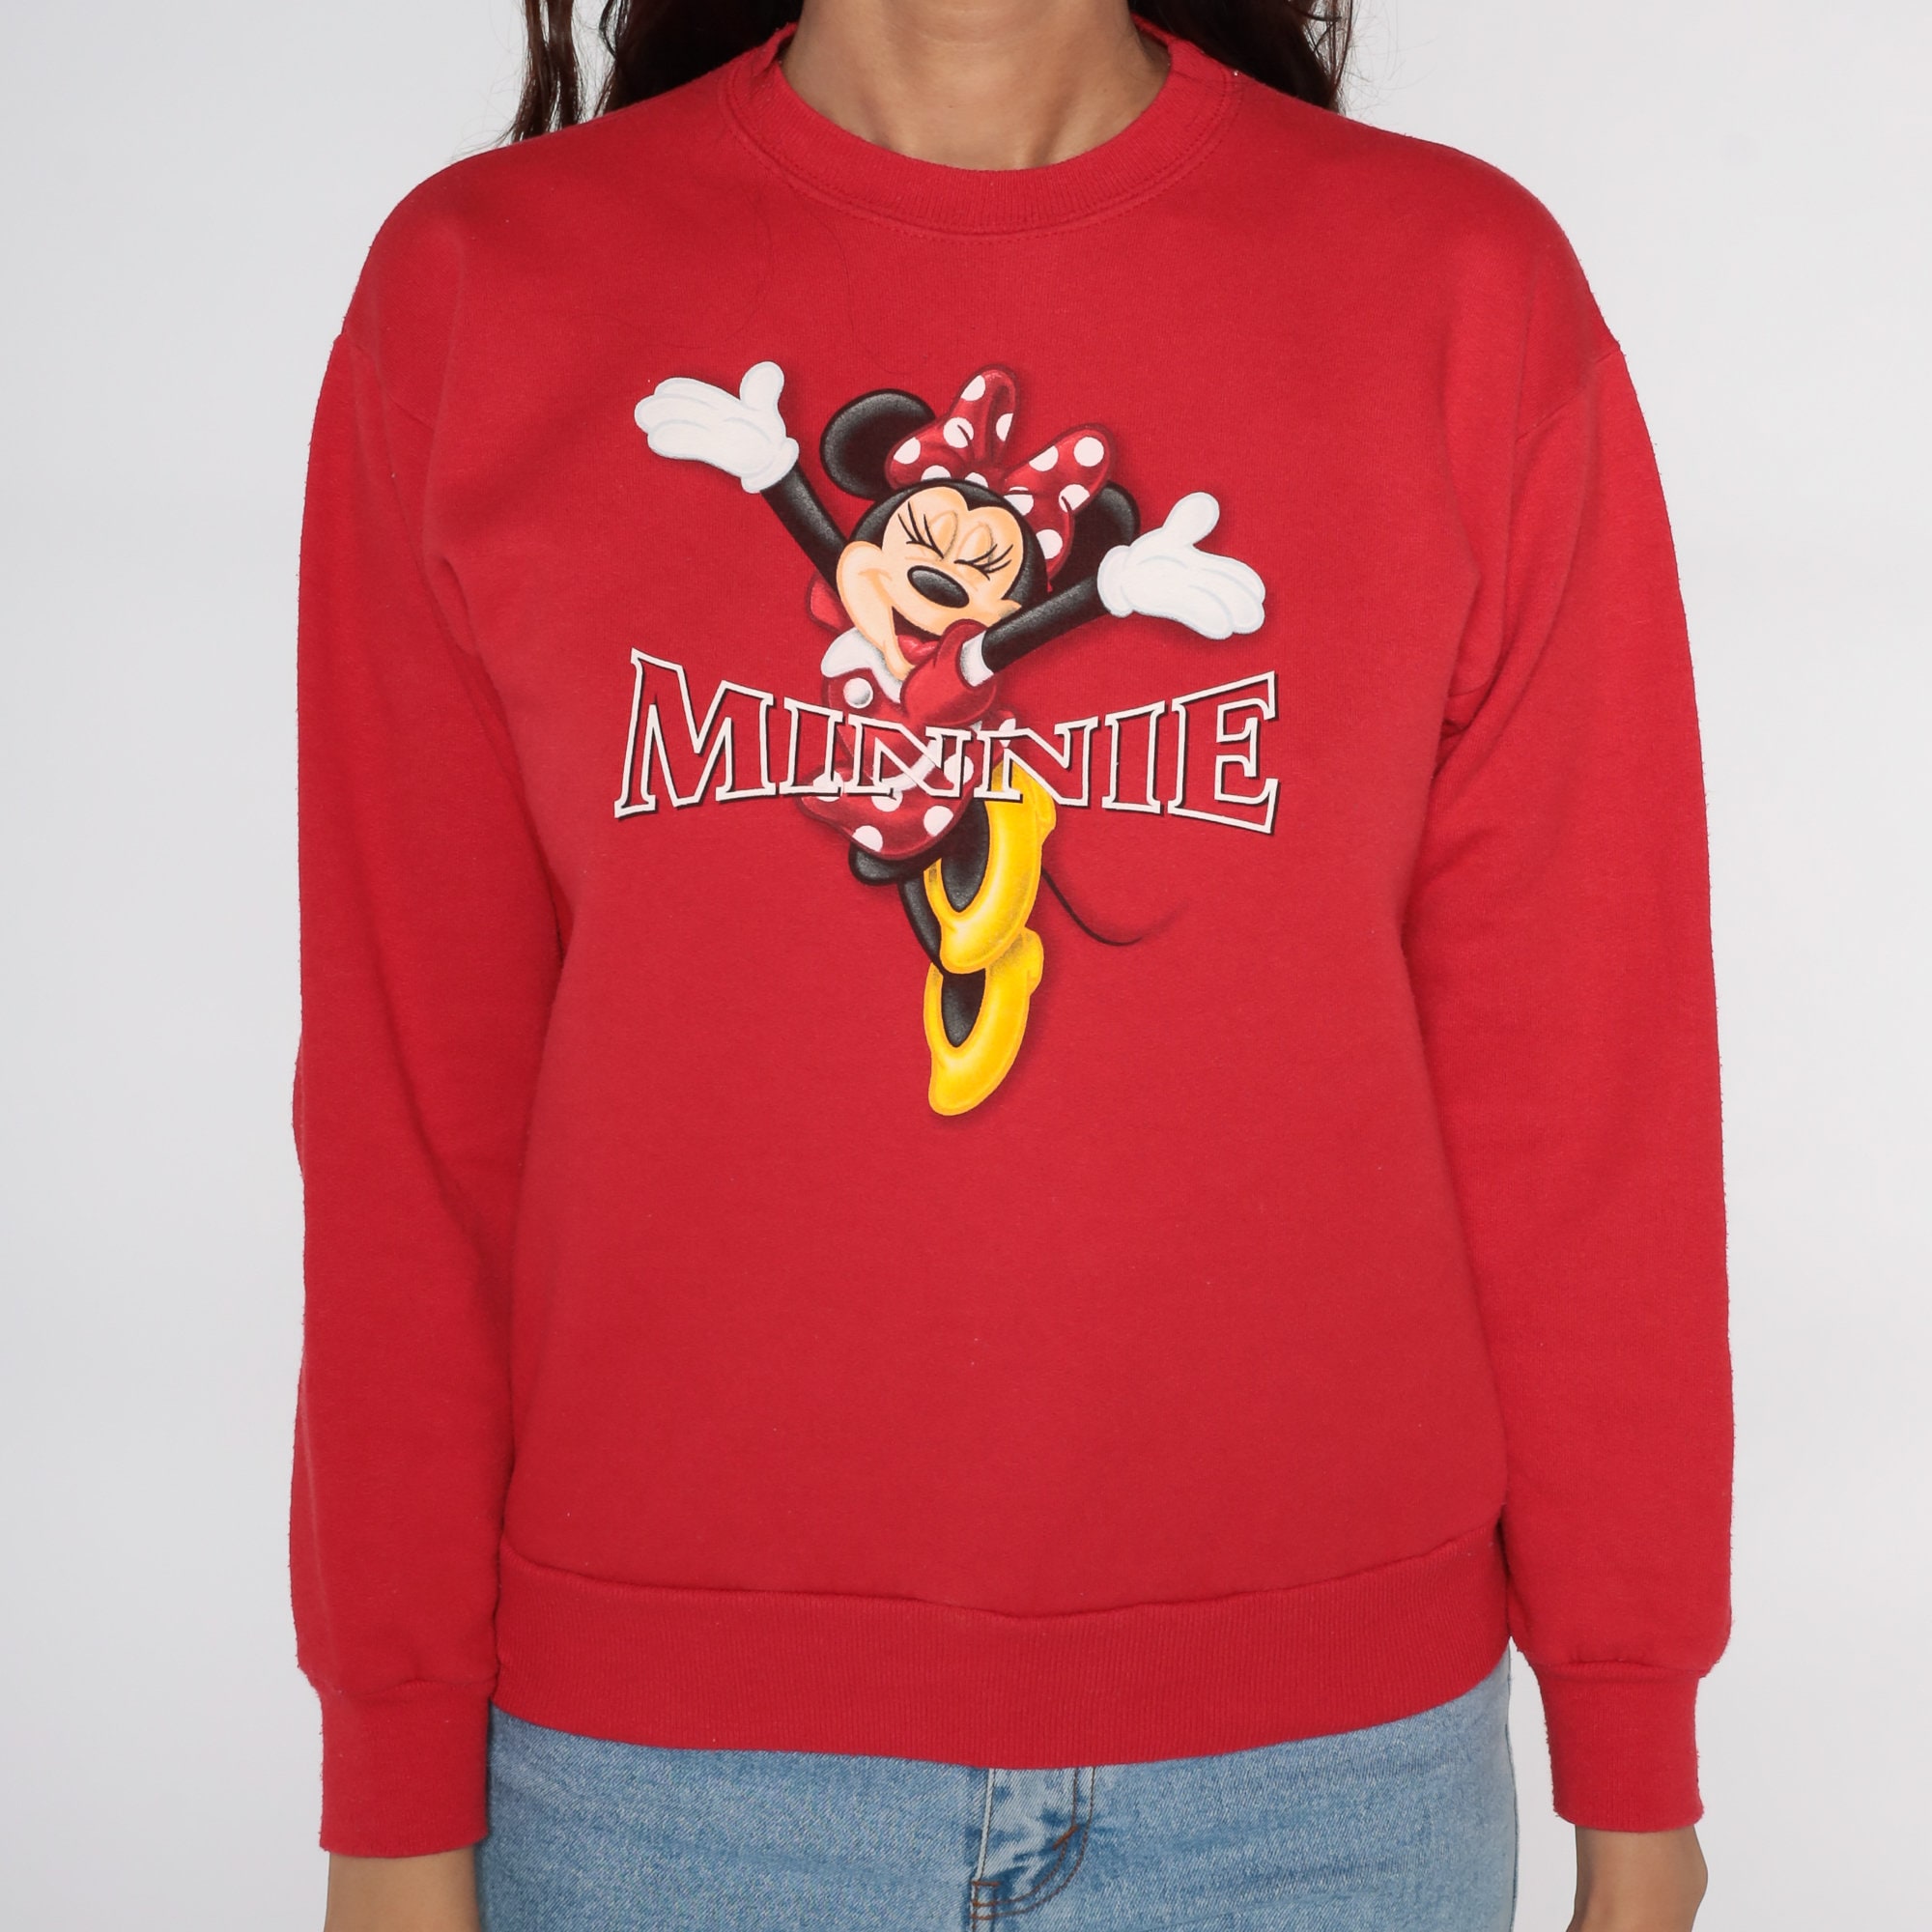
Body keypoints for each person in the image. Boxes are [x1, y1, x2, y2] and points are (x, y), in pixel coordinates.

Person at [295, 3, 1730, 1927]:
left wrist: (1631, 1748)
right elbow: (410, 1113)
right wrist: (391, 1792)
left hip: (1321, 1785)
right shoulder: (487, 289)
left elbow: (1584, 1088)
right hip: (666, 1783)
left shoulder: (1458, 290)